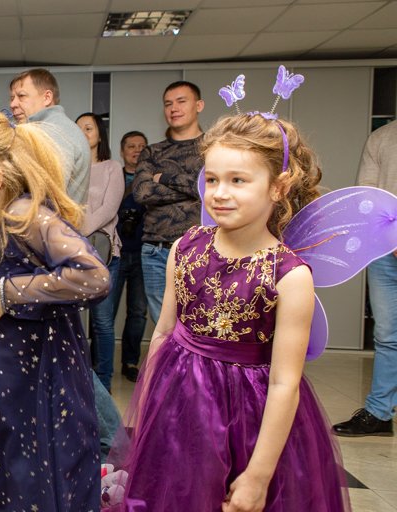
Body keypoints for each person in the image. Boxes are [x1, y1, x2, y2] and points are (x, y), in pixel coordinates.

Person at [108, 113, 350, 511]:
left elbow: (284, 383)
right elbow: (165, 331)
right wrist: (151, 405)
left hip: (250, 418)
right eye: (212, 179)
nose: (219, 193)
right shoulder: (185, 247)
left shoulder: (289, 276)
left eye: (238, 180)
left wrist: (258, 476)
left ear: (278, 187)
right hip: (179, 407)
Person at [0, 104, 110, 512]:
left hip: (36, 393)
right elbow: (11, 260)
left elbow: (94, 277)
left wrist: (8, 293)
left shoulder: (26, 217)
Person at [332, 120, 397, 437]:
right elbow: (366, 197)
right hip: (385, 251)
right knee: (387, 334)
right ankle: (379, 412)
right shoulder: (381, 137)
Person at [133, 81, 204, 324]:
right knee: (163, 329)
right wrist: (192, 189)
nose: (174, 108)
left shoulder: (212, 148)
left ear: (199, 105)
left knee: (197, 325)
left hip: (199, 250)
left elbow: (206, 189)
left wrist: (163, 178)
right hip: (156, 250)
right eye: (168, 104)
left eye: (181, 101)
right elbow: (142, 193)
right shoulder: (152, 152)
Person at [76, 112, 124, 391]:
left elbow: (109, 208)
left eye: (88, 128)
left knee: (102, 322)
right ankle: (79, 378)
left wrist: (79, 230)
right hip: (72, 255)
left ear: (99, 135)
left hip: (103, 253)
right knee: (74, 321)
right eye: (78, 129)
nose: (82, 133)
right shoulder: (70, 170)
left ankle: (103, 381)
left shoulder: (112, 168)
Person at [9, 68, 91, 204]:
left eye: (21, 96)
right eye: (12, 98)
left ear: (47, 98)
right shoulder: (53, 128)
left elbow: (46, 194)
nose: (13, 104)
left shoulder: (53, 131)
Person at [112, 131, 148, 382]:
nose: (136, 150)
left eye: (141, 146)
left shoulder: (150, 180)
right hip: (116, 253)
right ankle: (99, 362)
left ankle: (130, 362)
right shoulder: (114, 177)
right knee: (106, 312)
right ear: (122, 151)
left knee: (137, 312)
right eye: (131, 146)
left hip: (143, 252)